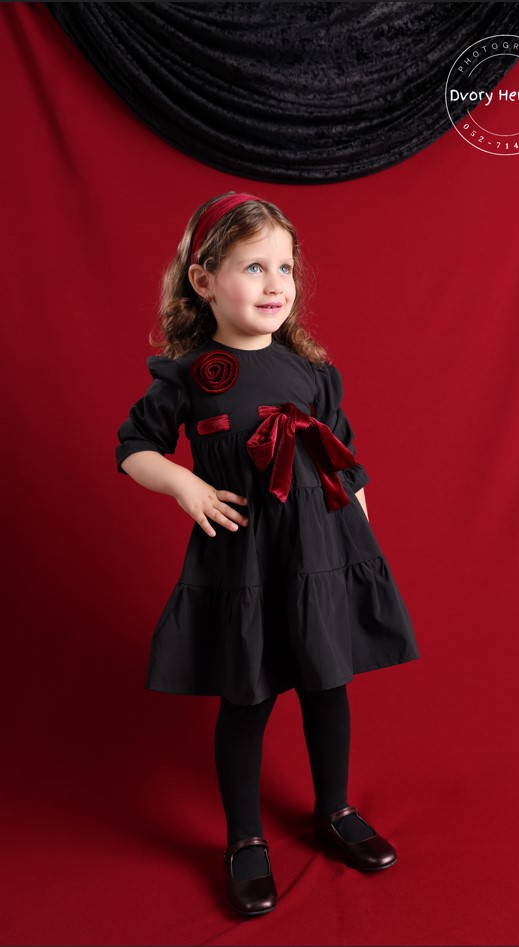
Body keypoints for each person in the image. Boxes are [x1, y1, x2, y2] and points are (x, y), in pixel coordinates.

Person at [115, 191, 420, 917]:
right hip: (245, 566)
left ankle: (335, 809)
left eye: (285, 267)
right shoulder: (190, 375)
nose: (276, 282)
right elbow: (133, 448)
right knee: (247, 696)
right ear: (204, 280)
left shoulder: (312, 373)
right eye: (254, 267)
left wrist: (359, 553)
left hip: (320, 559)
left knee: (327, 685)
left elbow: (346, 464)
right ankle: (245, 839)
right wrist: (185, 483)